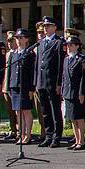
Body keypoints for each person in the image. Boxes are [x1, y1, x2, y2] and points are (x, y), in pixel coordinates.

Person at [35, 16, 65, 148]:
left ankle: (56, 136)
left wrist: (59, 83)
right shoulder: (40, 43)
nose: (45, 28)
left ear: (55, 27)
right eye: (44, 26)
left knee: (55, 110)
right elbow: (38, 64)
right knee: (45, 111)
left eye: (48, 26)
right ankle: (48, 134)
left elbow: (60, 65)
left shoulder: (59, 43)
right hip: (41, 82)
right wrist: (36, 82)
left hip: (52, 82)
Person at [7, 29, 36, 145]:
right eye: (17, 38)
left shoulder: (30, 54)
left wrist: (31, 88)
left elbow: (32, 72)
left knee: (26, 111)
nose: (18, 40)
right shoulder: (14, 54)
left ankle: (28, 135)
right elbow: (10, 71)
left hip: (25, 86)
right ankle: (21, 134)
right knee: (18, 112)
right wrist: (9, 86)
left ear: (26, 39)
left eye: (21, 38)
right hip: (14, 85)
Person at [62, 35, 85, 150]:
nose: (68, 47)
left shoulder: (81, 59)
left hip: (77, 92)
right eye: (67, 45)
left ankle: (81, 141)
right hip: (68, 92)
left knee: (79, 117)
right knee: (72, 118)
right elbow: (64, 77)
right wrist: (63, 91)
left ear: (77, 46)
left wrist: (81, 93)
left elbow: (83, 78)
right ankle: (76, 139)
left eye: (71, 45)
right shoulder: (66, 59)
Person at [1, 30, 19, 141]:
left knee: (17, 111)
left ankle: (19, 131)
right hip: (6, 86)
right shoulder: (7, 54)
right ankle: (12, 130)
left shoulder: (19, 53)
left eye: (12, 41)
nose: (9, 43)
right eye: (8, 41)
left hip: (14, 86)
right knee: (9, 111)